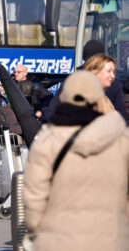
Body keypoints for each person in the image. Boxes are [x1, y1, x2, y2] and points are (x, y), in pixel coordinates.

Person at [24, 71, 129, 251]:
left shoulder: (48, 140)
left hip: (58, 239)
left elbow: (34, 196)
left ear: (64, 97)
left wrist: (37, 228)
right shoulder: (120, 138)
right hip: (110, 239)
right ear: (98, 99)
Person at [43, 40, 128, 123]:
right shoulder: (113, 84)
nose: (112, 76)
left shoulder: (73, 80)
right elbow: (122, 118)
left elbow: (51, 112)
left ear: (84, 57)